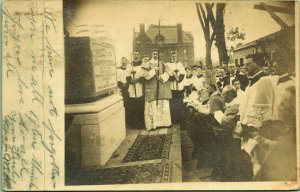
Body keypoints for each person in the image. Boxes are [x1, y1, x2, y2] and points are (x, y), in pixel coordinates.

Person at [237, 53, 279, 180]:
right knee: (251, 166)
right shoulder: (252, 83)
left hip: (257, 132)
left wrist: (249, 130)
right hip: (248, 131)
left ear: (259, 64)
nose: (245, 67)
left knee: (258, 168)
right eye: (244, 65)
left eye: (248, 64)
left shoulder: (264, 81)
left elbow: (263, 111)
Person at [141, 49, 175, 130]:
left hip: (162, 88)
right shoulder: (147, 64)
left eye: (157, 54)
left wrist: (162, 77)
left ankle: (164, 123)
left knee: (163, 105)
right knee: (152, 105)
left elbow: (170, 74)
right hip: (151, 87)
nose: (155, 55)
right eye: (154, 54)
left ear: (158, 55)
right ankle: (153, 125)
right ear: (151, 54)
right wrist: (153, 71)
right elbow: (144, 75)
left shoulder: (163, 64)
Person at [126, 50, 145, 129]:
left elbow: (144, 75)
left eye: (137, 54)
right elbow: (127, 75)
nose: (136, 55)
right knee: (133, 106)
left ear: (139, 55)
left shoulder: (142, 65)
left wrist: (138, 80)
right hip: (132, 87)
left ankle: (141, 124)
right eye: (135, 54)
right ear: (133, 55)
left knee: (140, 105)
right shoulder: (129, 65)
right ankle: (134, 124)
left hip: (140, 86)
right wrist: (131, 80)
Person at [165, 51, 186, 124]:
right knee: (172, 103)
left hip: (179, 87)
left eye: (175, 56)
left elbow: (183, 74)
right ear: (170, 57)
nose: (173, 57)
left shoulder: (180, 64)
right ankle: (173, 119)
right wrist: (173, 78)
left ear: (177, 56)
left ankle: (179, 119)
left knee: (179, 102)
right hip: (171, 86)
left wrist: (179, 79)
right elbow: (167, 75)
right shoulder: (168, 65)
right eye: (172, 56)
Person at [117, 57, 130, 128]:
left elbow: (129, 78)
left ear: (126, 61)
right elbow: (118, 80)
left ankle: (128, 121)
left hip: (128, 88)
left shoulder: (128, 69)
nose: (123, 62)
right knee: (124, 104)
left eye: (124, 60)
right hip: (122, 88)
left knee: (129, 104)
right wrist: (123, 86)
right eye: (122, 61)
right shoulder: (118, 70)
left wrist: (127, 84)